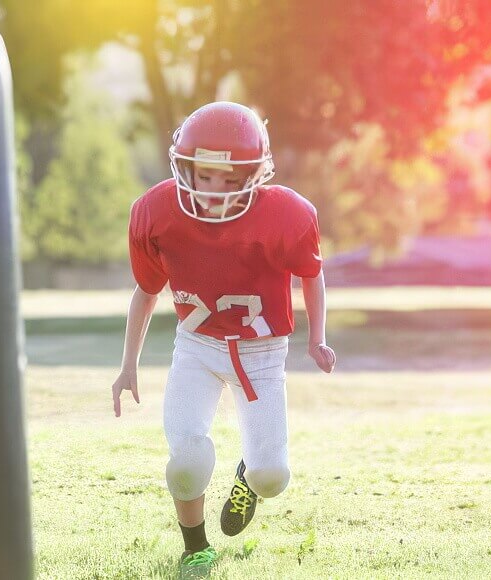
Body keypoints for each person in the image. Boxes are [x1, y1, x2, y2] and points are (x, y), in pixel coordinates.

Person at [111, 101, 336, 573]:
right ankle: (196, 548)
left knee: (272, 477)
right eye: (206, 174)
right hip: (197, 349)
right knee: (187, 458)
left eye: (231, 179)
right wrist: (128, 363)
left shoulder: (287, 214)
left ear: (256, 175)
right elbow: (146, 291)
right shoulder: (157, 211)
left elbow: (310, 273)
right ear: (184, 166)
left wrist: (317, 336)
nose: (215, 190)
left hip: (262, 354)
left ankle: (247, 478)